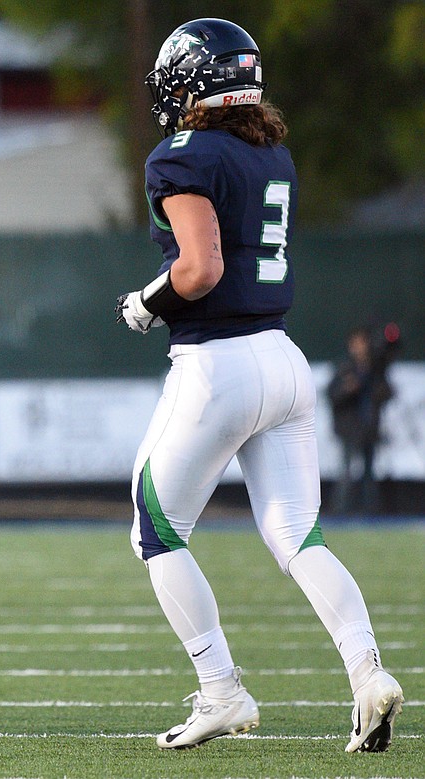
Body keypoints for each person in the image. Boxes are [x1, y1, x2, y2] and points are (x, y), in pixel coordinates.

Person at [116, 18, 403, 752]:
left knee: (156, 528)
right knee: (296, 533)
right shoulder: (269, 151)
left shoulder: (180, 155)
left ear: (197, 81)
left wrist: (146, 303)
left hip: (218, 363)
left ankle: (222, 690)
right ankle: (368, 671)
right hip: (283, 358)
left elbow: (200, 268)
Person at [328, 326, 396, 515]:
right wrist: (348, 389)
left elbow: (388, 393)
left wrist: (376, 389)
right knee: (346, 471)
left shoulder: (374, 369)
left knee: (369, 473)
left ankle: (370, 513)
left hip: (370, 427)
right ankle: (339, 513)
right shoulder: (344, 367)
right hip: (349, 428)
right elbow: (333, 395)